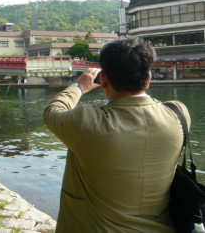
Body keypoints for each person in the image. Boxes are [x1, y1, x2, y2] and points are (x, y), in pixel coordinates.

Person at [43, 38, 191, 232]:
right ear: (148, 78)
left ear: (103, 79)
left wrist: (79, 86)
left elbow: (53, 111)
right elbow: (148, 108)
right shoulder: (179, 114)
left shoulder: (87, 122)